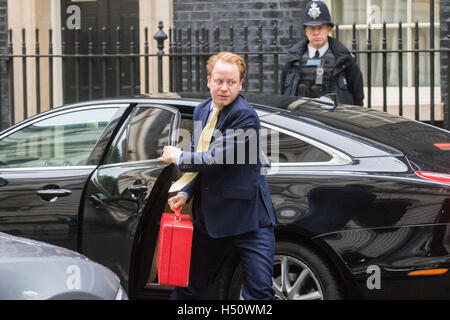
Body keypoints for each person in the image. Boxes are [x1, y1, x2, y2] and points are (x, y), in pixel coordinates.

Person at [158, 52, 277, 300]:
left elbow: (214, 159)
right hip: (211, 217)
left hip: (248, 219)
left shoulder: (245, 116)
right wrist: (185, 192)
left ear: (240, 84)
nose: (225, 88)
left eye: (231, 83)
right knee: (188, 286)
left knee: (260, 291)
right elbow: (203, 154)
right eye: (219, 81)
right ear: (209, 80)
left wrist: (178, 156)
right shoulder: (202, 110)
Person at [280, 0, 364, 106]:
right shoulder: (293, 60)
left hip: (334, 117)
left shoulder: (344, 61)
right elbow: (285, 93)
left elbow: (358, 96)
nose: (316, 33)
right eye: (312, 28)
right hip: (302, 116)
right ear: (306, 31)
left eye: (320, 28)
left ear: (329, 29)